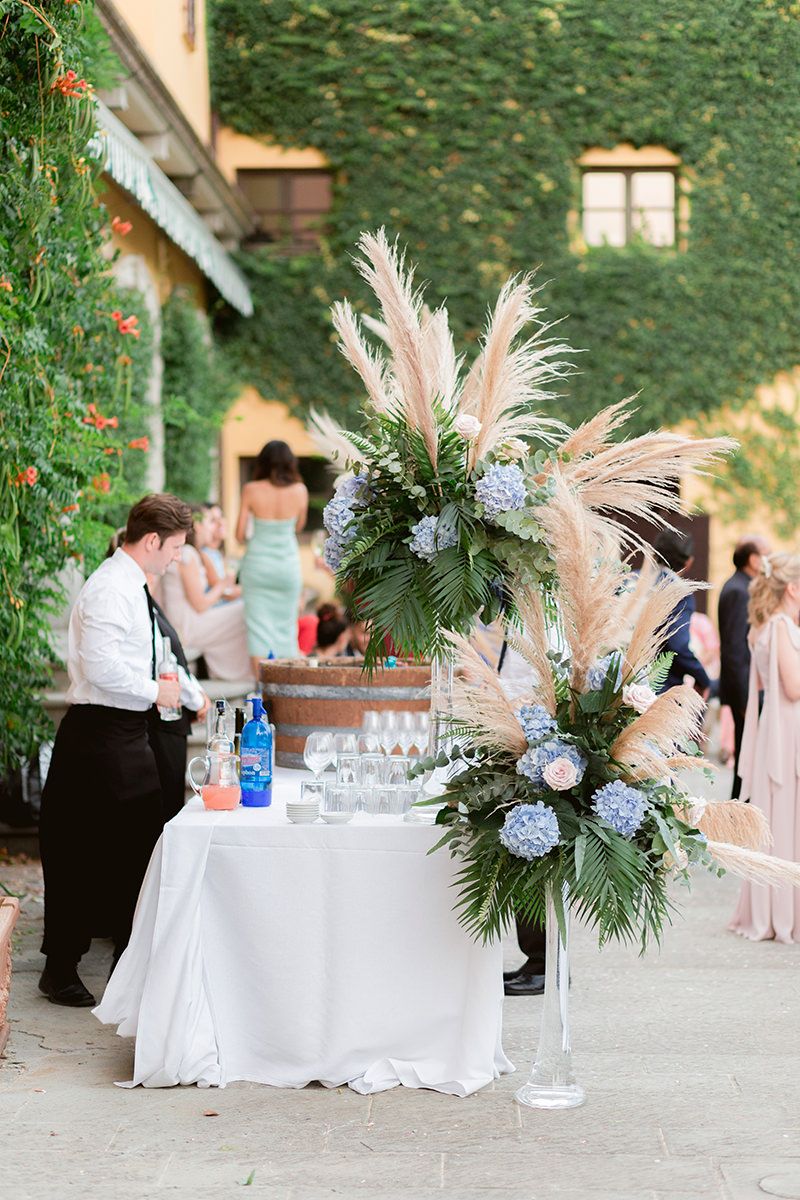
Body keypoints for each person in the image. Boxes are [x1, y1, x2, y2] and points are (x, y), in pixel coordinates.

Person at [38, 495, 200, 1007]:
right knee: (81, 852)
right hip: (97, 735)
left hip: (127, 733)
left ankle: (129, 966)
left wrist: (180, 691)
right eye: (175, 547)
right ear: (151, 541)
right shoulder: (109, 589)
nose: (177, 557)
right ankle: (60, 969)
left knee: (136, 849)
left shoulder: (133, 586)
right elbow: (102, 667)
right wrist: (159, 692)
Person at [107, 529, 210, 823]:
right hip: (161, 720)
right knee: (165, 810)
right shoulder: (133, 601)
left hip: (170, 718)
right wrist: (196, 697)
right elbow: (161, 662)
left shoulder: (145, 601)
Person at [729, 553, 800, 943]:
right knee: (788, 816)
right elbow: (794, 687)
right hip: (788, 732)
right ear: (792, 588)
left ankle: (774, 909)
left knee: (782, 817)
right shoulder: (782, 626)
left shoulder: (762, 627)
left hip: (777, 728)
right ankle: (784, 915)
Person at [236, 440, 308, 669]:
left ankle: (261, 691)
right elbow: (299, 526)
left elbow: (239, 535)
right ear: (290, 464)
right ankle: (285, 690)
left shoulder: (251, 489)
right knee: (287, 628)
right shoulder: (300, 491)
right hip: (287, 566)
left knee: (258, 631)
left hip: (258, 566)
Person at [161, 506, 251, 681]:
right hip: (186, 628)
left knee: (244, 609)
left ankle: (232, 672)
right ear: (197, 526)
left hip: (189, 621)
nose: (214, 527)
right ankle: (241, 674)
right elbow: (200, 604)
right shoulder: (187, 554)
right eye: (210, 521)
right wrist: (222, 585)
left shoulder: (192, 553)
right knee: (245, 610)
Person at [718, 536, 770, 798]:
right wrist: (745, 698)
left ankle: (741, 807)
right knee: (749, 756)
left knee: (747, 756)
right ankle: (741, 808)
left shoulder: (741, 586)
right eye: (766, 554)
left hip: (744, 688)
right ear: (753, 559)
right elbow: (734, 649)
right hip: (745, 691)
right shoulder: (740, 590)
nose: (769, 560)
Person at [652, 529, 711, 695]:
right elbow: (678, 645)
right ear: (689, 561)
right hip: (658, 687)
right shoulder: (678, 592)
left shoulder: (631, 579)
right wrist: (702, 679)